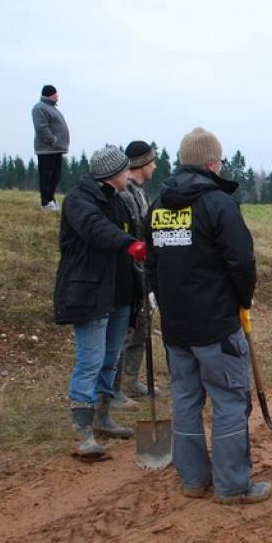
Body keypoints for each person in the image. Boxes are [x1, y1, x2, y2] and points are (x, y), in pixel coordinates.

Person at [145, 127, 269, 505]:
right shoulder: (219, 204)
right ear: (213, 163)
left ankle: (193, 480)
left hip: (176, 327)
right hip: (216, 324)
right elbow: (242, 261)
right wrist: (241, 299)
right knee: (230, 400)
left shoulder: (158, 207)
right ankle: (232, 486)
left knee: (185, 399)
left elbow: (151, 264)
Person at [54, 146, 147, 459]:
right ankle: (83, 434)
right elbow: (96, 229)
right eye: (125, 170)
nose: (129, 174)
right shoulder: (80, 201)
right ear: (113, 174)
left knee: (110, 359)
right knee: (90, 360)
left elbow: (131, 234)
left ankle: (102, 416)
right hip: (91, 294)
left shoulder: (117, 201)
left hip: (119, 295)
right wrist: (129, 244)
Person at [111, 141, 158, 410]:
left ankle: (131, 379)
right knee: (126, 331)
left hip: (143, 270)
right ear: (142, 164)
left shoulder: (140, 192)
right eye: (151, 161)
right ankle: (114, 389)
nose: (155, 166)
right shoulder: (125, 195)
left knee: (142, 327)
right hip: (129, 270)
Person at [32, 84, 70, 211]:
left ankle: (51, 200)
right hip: (46, 149)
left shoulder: (52, 108)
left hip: (56, 149)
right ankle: (46, 202)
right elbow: (41, 127)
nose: (58, 95)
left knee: (55, 176)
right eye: (56, 93)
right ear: (50, 94)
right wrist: (52, 140)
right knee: (47, 176)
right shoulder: (39, 108)